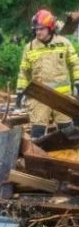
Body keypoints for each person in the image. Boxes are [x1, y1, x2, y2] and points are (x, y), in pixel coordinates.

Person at [16, 9, 79, 139]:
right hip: (39, 96)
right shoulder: (30, 47)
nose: (38, 32)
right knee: (37, 131)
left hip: (61, 97)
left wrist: (78, 83)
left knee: (67, 131)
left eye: (41, 29)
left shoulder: (64, 43)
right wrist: (20, 92)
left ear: (50, 28)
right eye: (36, 29)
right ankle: (36, 157)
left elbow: (75, 64)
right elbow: (23, 72)